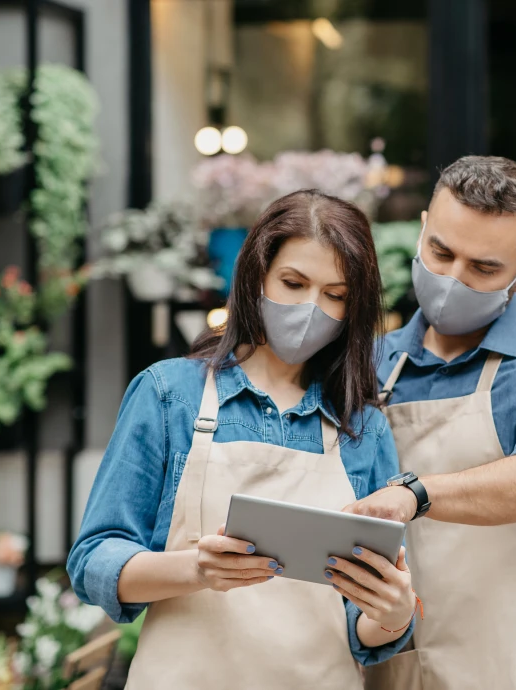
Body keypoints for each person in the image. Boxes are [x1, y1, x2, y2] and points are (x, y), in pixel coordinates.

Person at [68, 191, 419, 689]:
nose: (310, 308)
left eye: (335, 295)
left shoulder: (362, 427)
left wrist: (394, 613)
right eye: (293, 283)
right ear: (256, 274)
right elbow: (93, 561)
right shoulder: (170, 395)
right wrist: (196, 570)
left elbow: (363, 626)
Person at [347, 156, 516, 689]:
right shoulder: (367, 363)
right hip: (400, 664)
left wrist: (413, 494)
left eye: (483, 268)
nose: (451, 278)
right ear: (421, 230)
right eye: (440, 252)